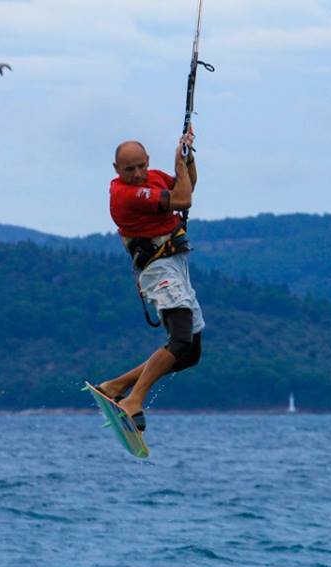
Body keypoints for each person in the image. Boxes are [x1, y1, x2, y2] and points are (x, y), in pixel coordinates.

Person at [96, 131, 204, 431]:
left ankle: (115, 386)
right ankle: (134, 400)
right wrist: (178, 164)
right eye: (129, 169)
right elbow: (184, 199)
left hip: (175, 266)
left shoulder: (153, 178)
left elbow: (187, 186)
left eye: (141, 166)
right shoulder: (126, 194)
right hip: (158, 269)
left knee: (190, 353)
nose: (138, 174)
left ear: (147, 162)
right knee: (180, 339)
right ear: (117, 169)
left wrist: (187, 156)